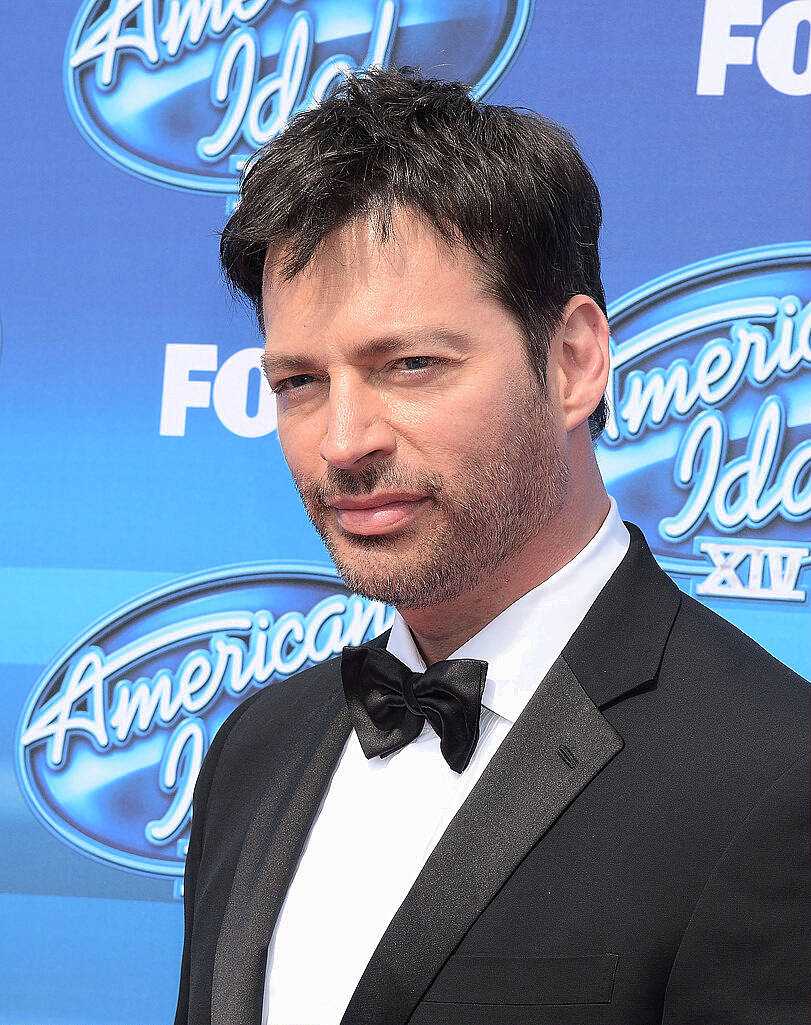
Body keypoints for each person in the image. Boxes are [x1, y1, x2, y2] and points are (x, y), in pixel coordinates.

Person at [174, 68, 809, 1025]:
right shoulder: (253, 751)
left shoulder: (772, 776)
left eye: (411, 365)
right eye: (299, 381)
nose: (343, 441)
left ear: (572, 362)